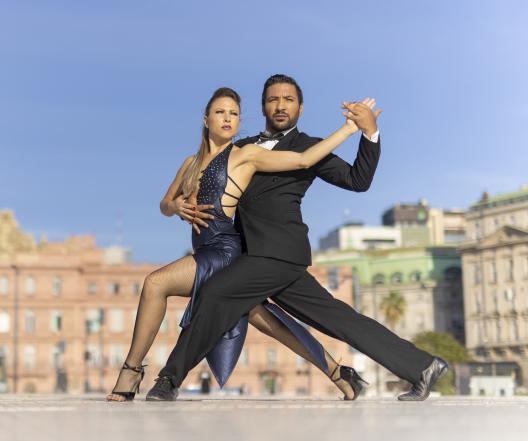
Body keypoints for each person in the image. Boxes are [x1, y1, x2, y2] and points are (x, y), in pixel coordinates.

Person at [146, 75, 447, 402]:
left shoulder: (308, 147)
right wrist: (176, 204)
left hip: (276, 253)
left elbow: (357, 181)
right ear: (263, 106)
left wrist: (369, 133)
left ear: (300, 108)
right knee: (340, 319)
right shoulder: (241, 147)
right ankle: (423, 366)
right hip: (252, 255)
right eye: (273, 99)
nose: (280, 105)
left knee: (215, 293)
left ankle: (168, 380)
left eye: (288, 99)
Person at [107, 87, 369, 402]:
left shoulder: (245, 155)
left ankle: (132, 370)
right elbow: (165, 203)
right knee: (266, 321)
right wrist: (175, 207)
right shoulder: (190, 163)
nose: (228, 118)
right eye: (220, 112)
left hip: (225, 251)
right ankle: (340, 374)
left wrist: (349, 128)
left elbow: (303, 160)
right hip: (203, 250)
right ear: (206, 120)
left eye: (234, 113)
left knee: (155, 283)